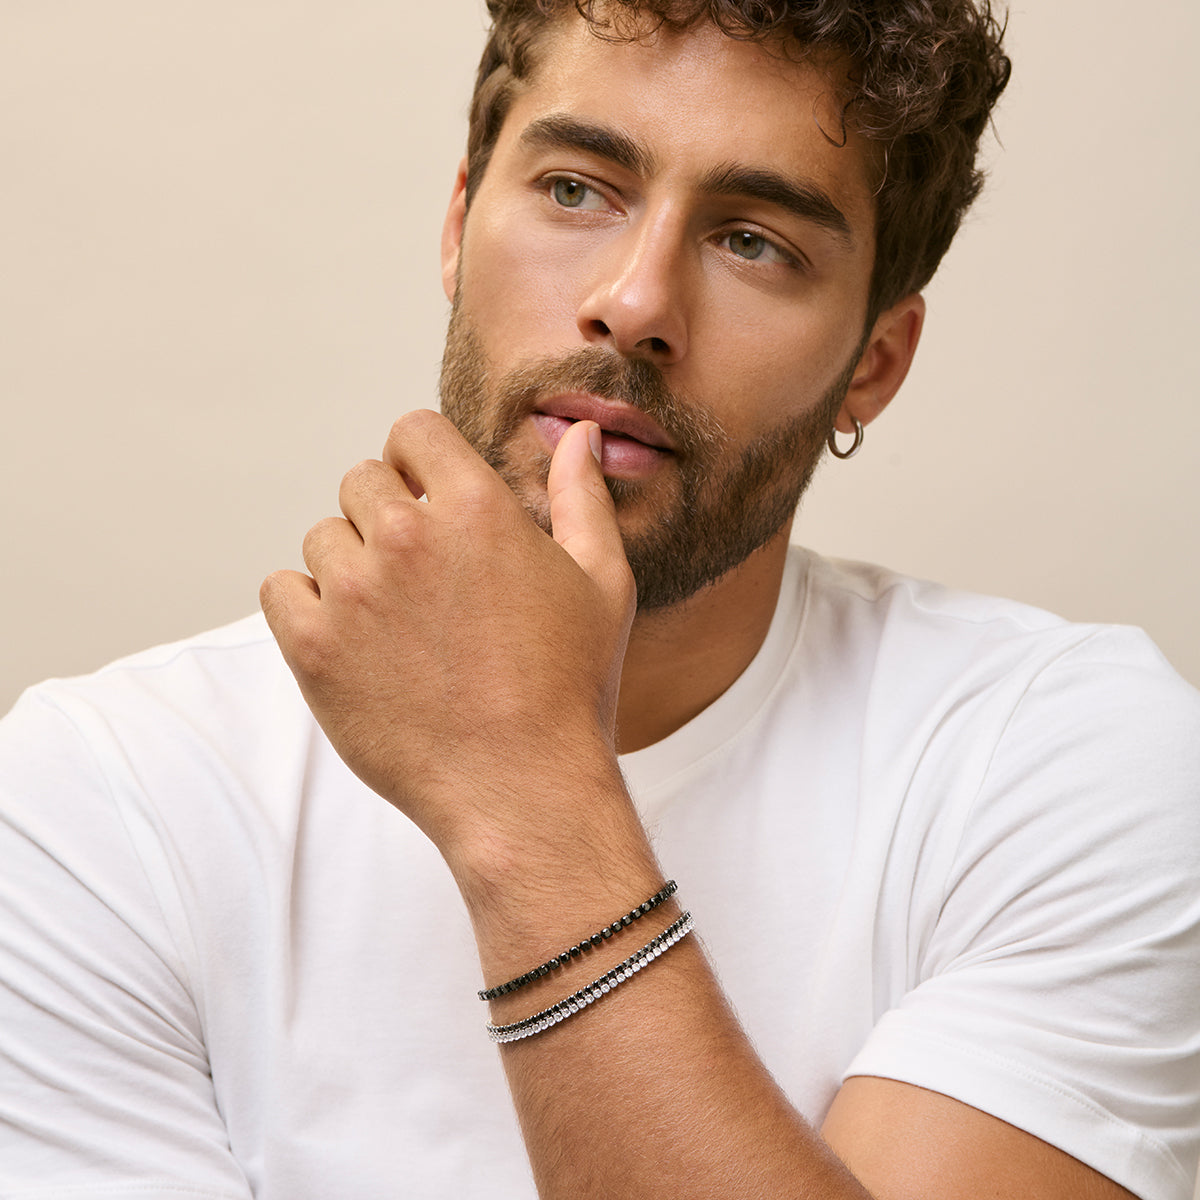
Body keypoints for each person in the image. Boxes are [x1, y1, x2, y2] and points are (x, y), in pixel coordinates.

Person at [1, 1, 1198, 1198]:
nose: (634, 304)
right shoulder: (104, 798)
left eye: (755, 242)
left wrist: (523, 788)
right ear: (460, 225)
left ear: (872, 366)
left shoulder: (1064, 762)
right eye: (577, 190)